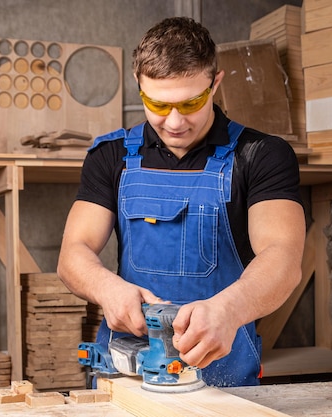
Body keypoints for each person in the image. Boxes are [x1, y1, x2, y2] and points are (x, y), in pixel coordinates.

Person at [57, 16, 305, 387]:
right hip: (129, 373)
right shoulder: (111, 157)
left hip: (221, 371)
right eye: (157, 104)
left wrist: (229, 310)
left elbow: (283, 258)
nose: (174, 122)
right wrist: (107, 289)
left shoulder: (260, 155)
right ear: (139, 87)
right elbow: (73, 254)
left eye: (190, 103)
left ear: (215, 83)